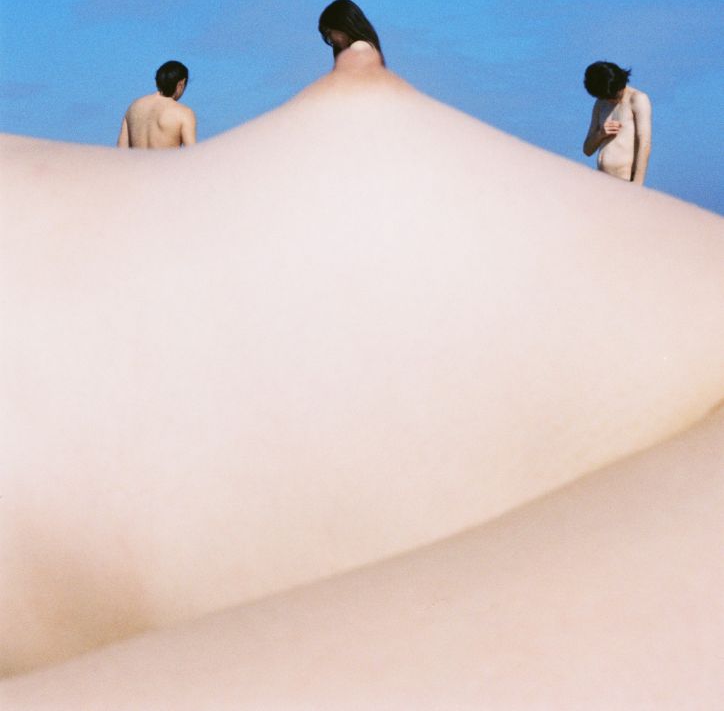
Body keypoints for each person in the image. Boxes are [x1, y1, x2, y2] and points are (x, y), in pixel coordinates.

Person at [1, 47, 721, 699]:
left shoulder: (135, 111)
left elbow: (130, 162)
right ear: (182, 87)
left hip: (621, 192)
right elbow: (182, 163)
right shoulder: (182, 117)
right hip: (613, 190)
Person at [582, 60, 651, 184]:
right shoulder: (601, 103)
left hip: (624, 180)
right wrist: (600, 134)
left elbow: (644, 143)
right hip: (601, 178)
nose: (610, 100)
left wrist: (637, 185)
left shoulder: (637, 99)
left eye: (612, 96)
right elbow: (587, 150)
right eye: (605, 97)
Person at [117, 60, 196, 149]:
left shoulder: (133, 107)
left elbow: (121, 150)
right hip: (165, 158)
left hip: (137, 158)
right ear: (181, 84)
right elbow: (192, 153)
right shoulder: (184, 113)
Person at [318, 0, 386, 65]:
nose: (330, 40)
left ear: (342, 25)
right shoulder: (366, 48)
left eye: (329, 33)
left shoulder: (359, 47)